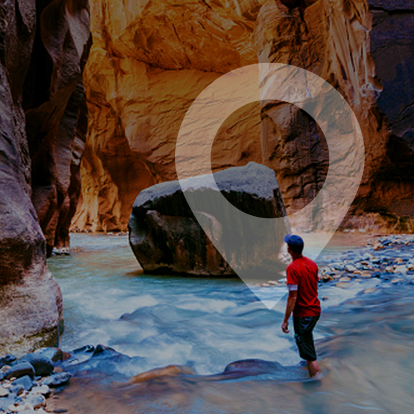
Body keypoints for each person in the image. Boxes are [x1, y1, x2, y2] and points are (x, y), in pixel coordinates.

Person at [281, 234, 321, 378]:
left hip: (304, 314)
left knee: (310, 355)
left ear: (289, 249)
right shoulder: (312, 264)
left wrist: (285, 320)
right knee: (307, 342)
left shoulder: (292, 268)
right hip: (315, 310)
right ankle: (311, 374)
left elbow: (293, 297)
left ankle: (317, 382)